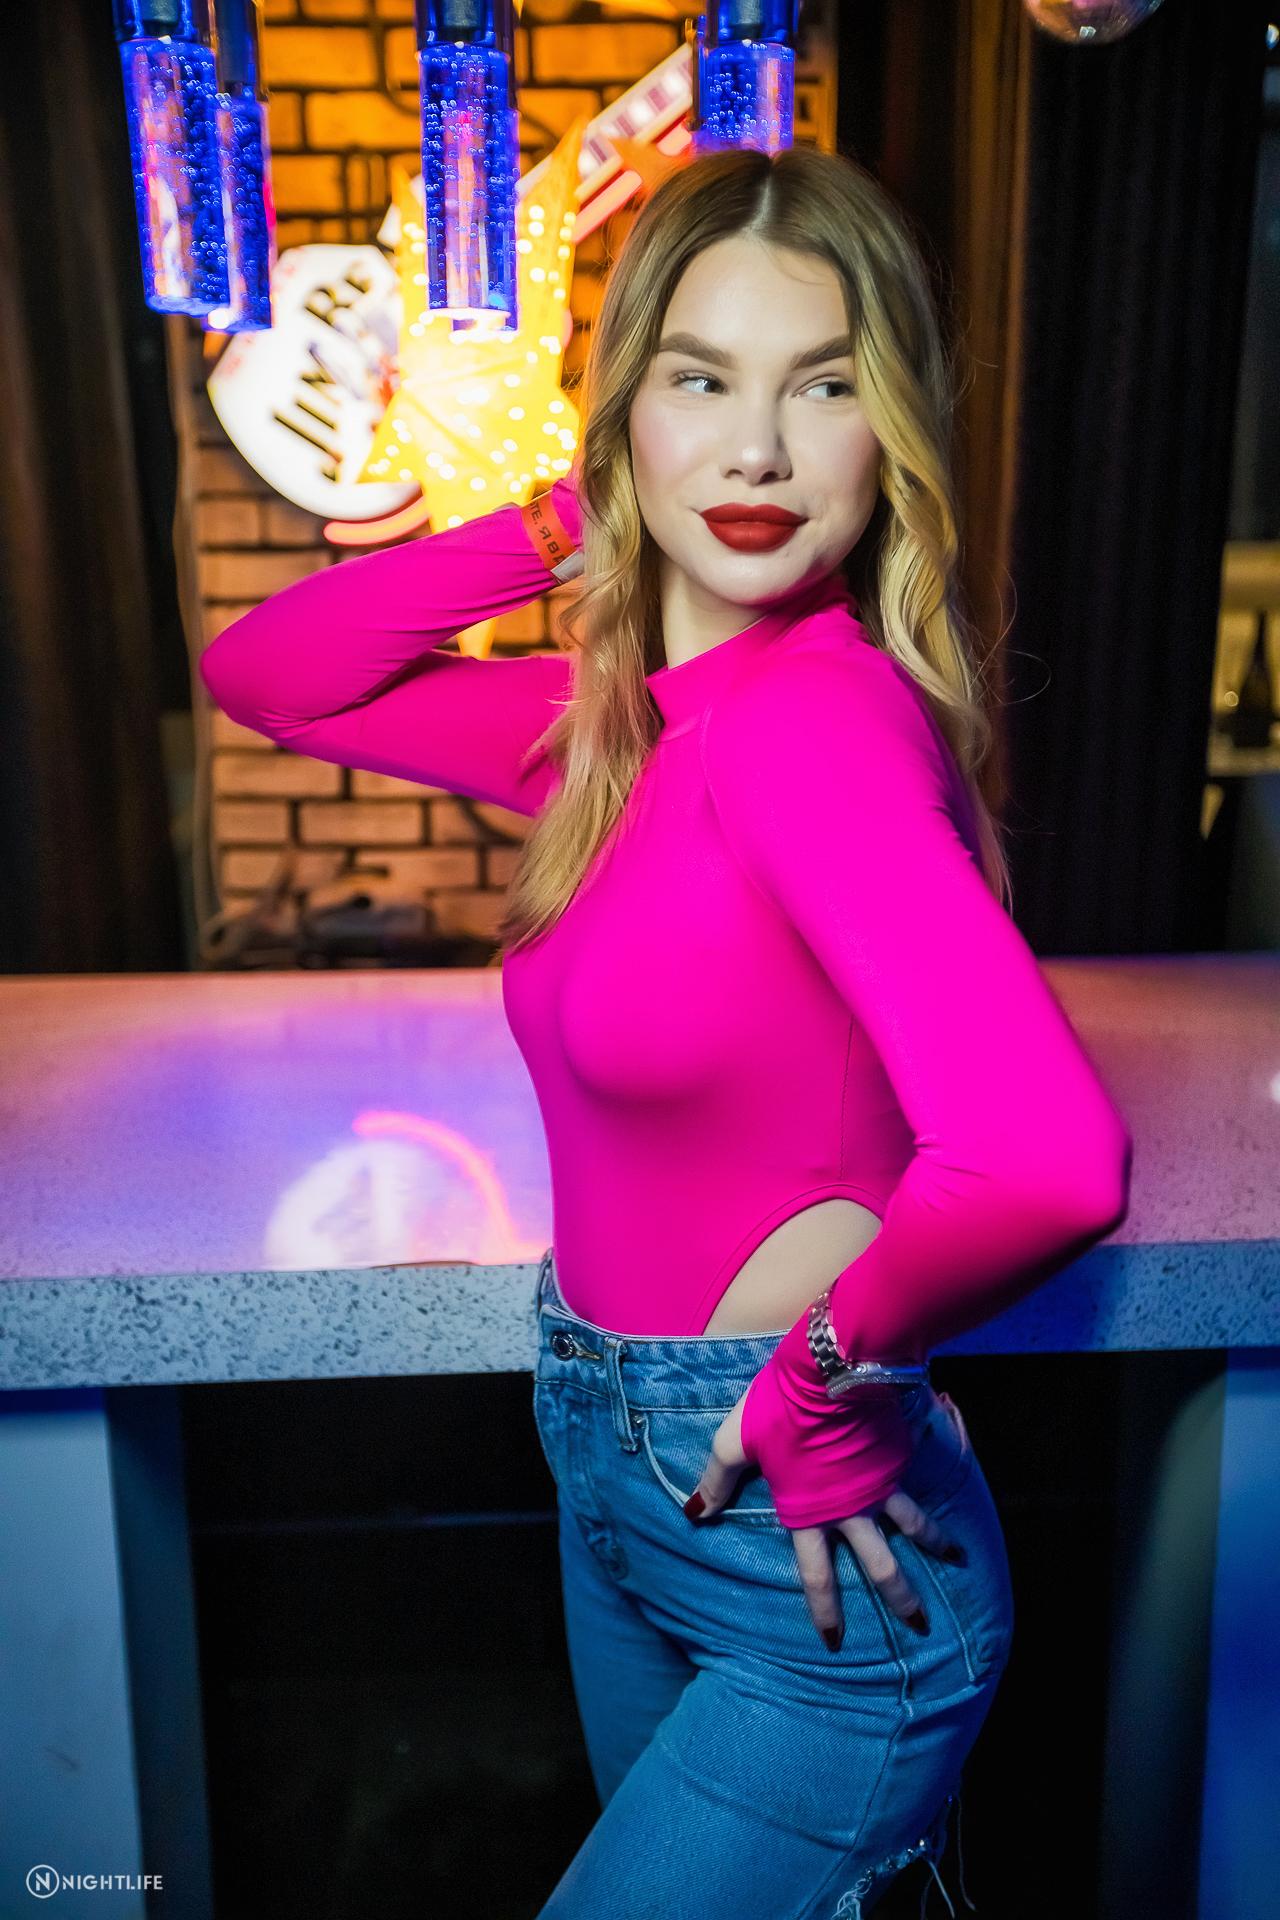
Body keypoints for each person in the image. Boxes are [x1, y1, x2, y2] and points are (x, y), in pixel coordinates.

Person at [200, 145, 1133, 1919]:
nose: (758, 450)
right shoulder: (619, 728)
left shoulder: (813, 724)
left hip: (800, 1553)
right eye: (700, 381)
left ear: (892, 432)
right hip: (618, 1470)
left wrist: (832, 1382)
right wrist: (568, 514)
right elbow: (271, 677)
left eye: (826, 386)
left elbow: (1051, 1159)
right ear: (625, 407)